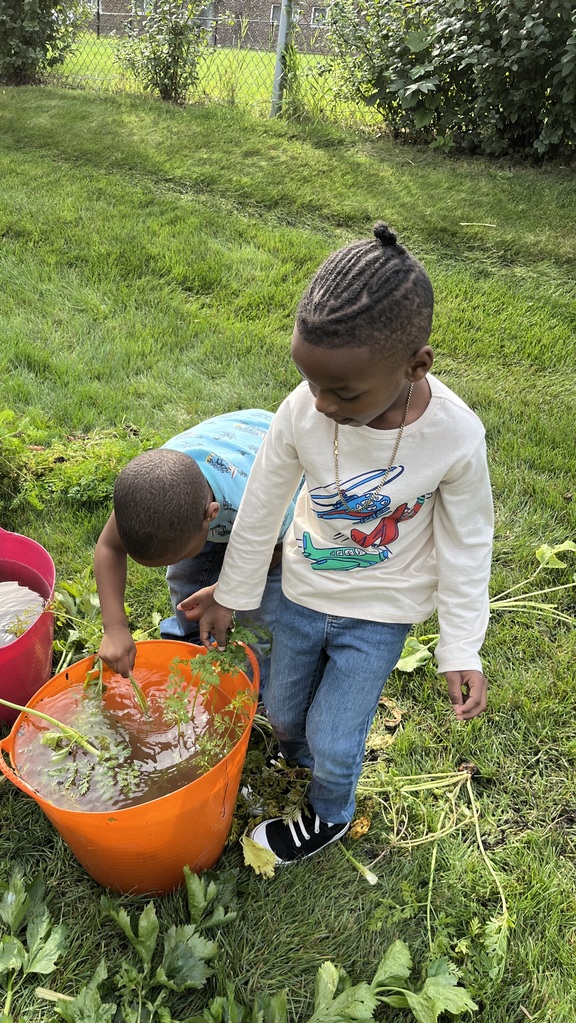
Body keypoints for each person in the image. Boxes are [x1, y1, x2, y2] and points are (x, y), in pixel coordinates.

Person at [198, 222, 494, 865]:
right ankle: (300, 754)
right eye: (312, 383)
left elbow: (469, 544)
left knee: (337, 736)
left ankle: (330, 810)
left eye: (344, 391)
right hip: (302, 589)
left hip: (381, 610)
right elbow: (263, 505)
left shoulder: (455, 437)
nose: (322, 403)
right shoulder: (301, 411)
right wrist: (234, 591)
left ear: (416, 365)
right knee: (282, 707)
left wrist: (460, 646)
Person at [93, 410, 298, 689]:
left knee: (259, 613)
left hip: (276, 519)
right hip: (223, 459)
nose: (176, 561)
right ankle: (190, 644)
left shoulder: (259, 504)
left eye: (180, 553)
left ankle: (252, 685)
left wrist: (224, 593)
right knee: (185, 577)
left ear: (211, 515)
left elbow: (276, 550)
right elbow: (109, 546)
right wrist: (114, 627)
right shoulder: (143, 495)